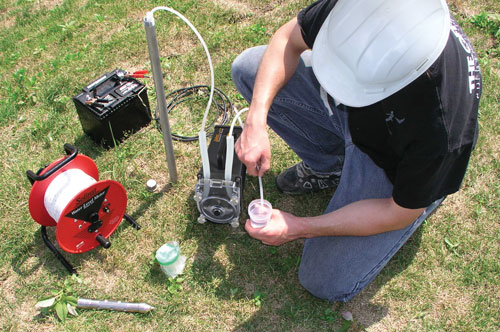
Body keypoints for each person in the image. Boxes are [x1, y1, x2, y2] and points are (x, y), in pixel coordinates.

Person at [231, 0, 481, 302]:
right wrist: (256, 121)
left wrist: (300, 227)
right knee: (250, 69)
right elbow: (288, 38)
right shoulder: (364, 9)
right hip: (365, 121)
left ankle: (428, 191)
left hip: (393, 164)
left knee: (323, 278)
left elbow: (397, 213)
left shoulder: (441, 130)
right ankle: (332, 165)